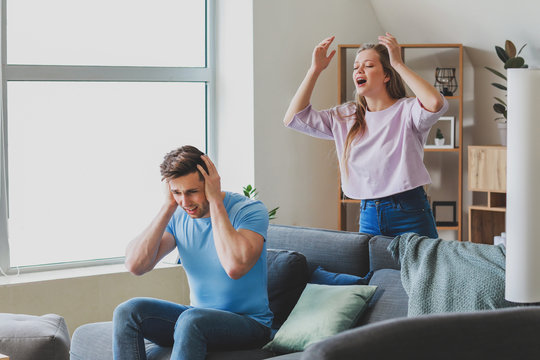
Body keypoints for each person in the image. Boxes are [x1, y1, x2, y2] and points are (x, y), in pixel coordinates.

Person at [112, 145, 272, 360]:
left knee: (192, 319)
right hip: (197, 319)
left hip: (249, 323)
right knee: (128, 311)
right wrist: (168, 207)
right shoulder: (179, 213)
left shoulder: (248, 210)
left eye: (192, 192)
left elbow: (235, 267)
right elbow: (136, 265)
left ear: (211, 183)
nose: (185, 202)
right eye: (177, 192)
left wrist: (215, 201)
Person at [283, 33, 448, 238]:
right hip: (369, 213)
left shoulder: (407, 110)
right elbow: (294, 118)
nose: (359, 70)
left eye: (368, 65)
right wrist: (314, 70)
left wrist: (397, 63)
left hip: (410, 209)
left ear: (387, 75)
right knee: (372, 272)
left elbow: (435, 103)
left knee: (422, 271)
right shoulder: (346, 116)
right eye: (356, 67)